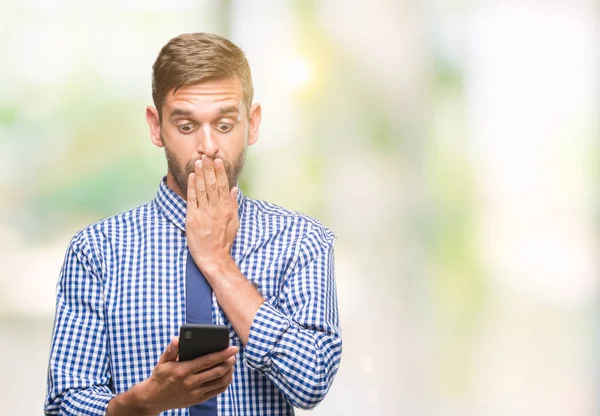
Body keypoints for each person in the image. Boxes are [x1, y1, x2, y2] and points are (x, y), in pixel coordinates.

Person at [44, 33, 342, 416]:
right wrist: (144, 401)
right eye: (186, 126)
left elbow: (312, 381)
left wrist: (217, 261)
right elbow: (64, 403)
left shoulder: (302, 241)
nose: (208, 146)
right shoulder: (98, 251)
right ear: (156, 127)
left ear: (252, 124)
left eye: (224, 124)